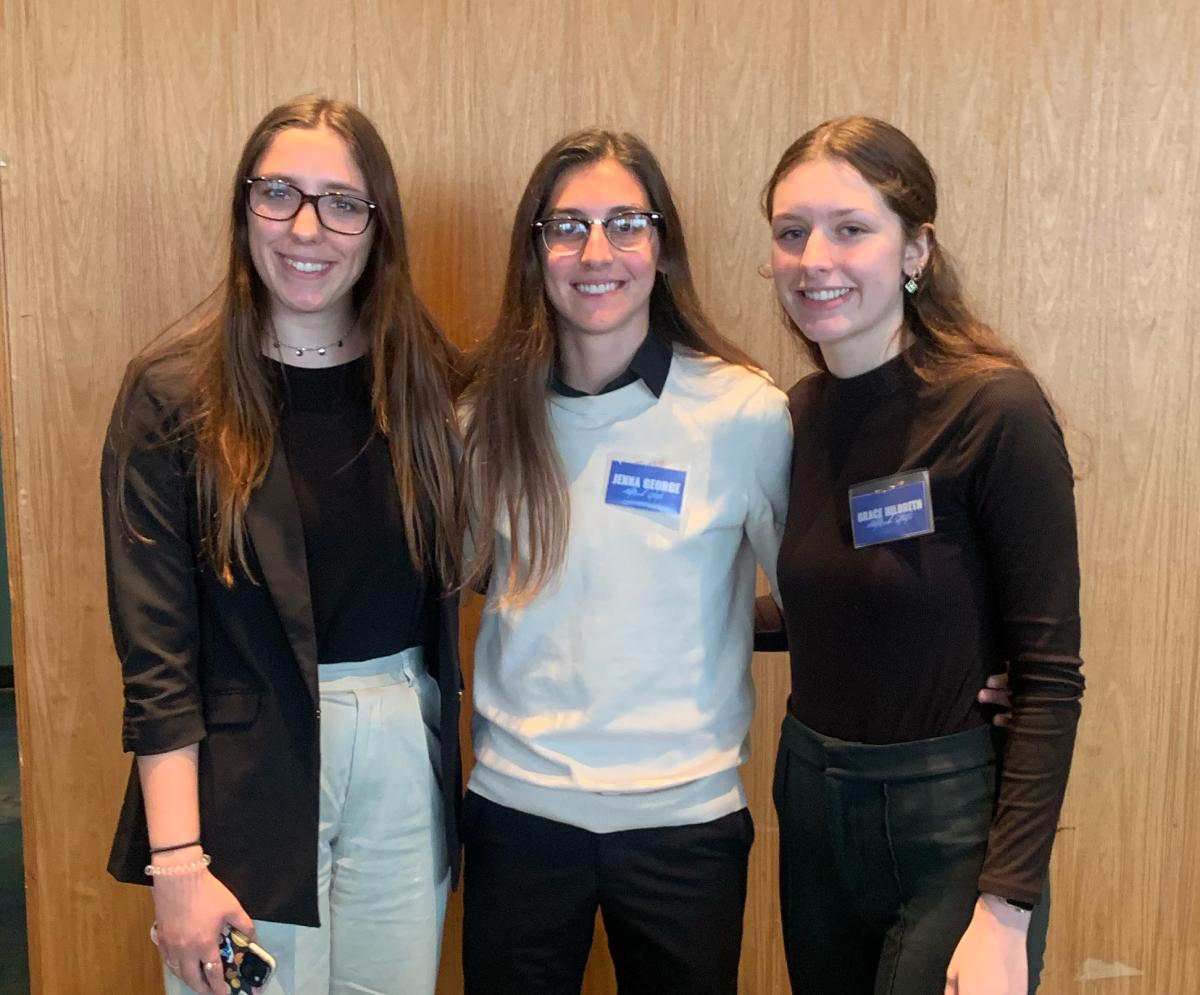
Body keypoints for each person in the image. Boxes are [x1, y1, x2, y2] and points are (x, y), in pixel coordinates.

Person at [102, 96, 462, 995]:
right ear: (243, 210)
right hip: (244, 771)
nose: (309, 228)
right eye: (279, 195)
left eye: (342, 202)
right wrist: (177, 864)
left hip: (400, 751)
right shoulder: (171, 396)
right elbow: (157, 660)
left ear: (378, 227)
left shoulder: (425, 376)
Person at [456, 129, 793, 995]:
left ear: (662, 244)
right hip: (519, 814)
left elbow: (819, 599)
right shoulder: (483, 417)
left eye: (625, 223)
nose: (595, 252)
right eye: (567, 226)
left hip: (686, 825)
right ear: (535, 250)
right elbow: (466, 573)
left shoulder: (744, 414)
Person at [762, 115, 1084, 994]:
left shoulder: (995, 411)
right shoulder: (799, 413)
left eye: (851, 228)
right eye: (792, 234)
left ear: (916, 250)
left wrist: (1006, 909)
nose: (814, 258)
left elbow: (1051, 677)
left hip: (950, 826)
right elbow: (831, 603)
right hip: (815, 802)